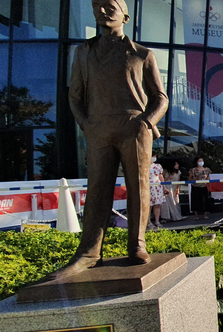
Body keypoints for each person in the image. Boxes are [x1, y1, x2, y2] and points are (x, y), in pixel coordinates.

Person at [49, 0, 169, 279]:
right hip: (98, 128)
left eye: (109, 7)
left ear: (125, 16)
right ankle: (89, 252)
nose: (102, 11)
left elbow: (160, 98)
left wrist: (146, 122)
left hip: (134, 127)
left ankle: (137, 244)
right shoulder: (83, 52)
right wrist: (86, 125)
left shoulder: (141, 54)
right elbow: (74, 96)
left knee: (138, 186)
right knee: (98, 189)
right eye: (97, 7)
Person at [148, 153, 166, 229]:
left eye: (155, 156)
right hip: (148, 186)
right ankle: (148, 222)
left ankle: (157, 221)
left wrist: (164, 187)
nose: (154, 157)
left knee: (157, 205)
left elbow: (161, 176)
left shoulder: (158, 166)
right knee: (149, 206)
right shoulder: (144, 165)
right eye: (153, 156)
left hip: (157, 187)